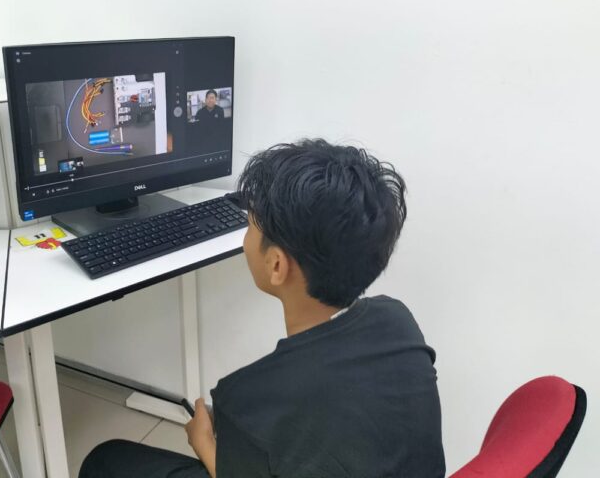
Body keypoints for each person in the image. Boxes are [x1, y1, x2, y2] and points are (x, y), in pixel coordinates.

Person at [80, 139, 445, 478]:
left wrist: (203, 441)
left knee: (107, 460)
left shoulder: (250, 403)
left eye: (250, 225)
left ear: (276, 265)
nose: (246, 236)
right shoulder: (398, 321)